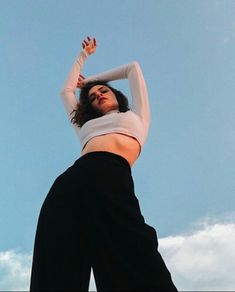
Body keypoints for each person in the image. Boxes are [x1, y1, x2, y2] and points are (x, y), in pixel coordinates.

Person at [30, 36, 177, 291]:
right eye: (93, 96)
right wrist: (82, 57)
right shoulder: (85, 126)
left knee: (133, 249)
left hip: (111, 177)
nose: (98, 95)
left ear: (116, 94)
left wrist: (89, 82)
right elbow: (65, 92)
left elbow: (132, 68)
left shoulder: (136, 116)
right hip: (71, 182)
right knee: (57, 256)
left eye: (103, 91)